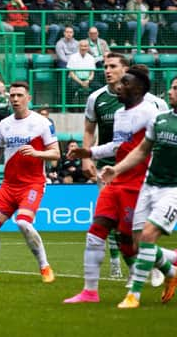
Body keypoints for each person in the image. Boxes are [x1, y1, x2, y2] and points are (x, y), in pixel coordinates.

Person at [64, 65, 161, 304]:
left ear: (138, 88)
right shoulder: (120, 114)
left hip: (139, 185)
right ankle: (90, 292)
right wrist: (88, 152)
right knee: (96, 232)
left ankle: (167, 266)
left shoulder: (151, 113)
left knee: (131, 242)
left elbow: (153, 149)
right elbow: (117, 146)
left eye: (125, 83)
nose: (119, 86)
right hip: (116, 181)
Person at [0, 81, 59, 284]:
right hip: (9, 185)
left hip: (32, 184)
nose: (15, 99)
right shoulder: (4, 124)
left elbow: (56, 153)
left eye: (19, 95)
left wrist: (36, 153)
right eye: (12, 96)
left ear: (28, 98)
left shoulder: (42, 123)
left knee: (24, 223)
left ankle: (45, 267)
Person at [101, 76, 177, 308]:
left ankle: (134, 295)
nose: (171, 91)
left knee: (147, 237)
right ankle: (172, 271)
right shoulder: (160, 119)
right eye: (172, 87)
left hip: (173, 191)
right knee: (135, 245)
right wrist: (116, 169)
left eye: (176, 88)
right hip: (149, 185)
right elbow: (142, 151)